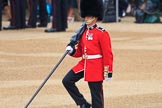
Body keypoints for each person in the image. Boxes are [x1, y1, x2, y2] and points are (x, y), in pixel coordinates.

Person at [62, 0, 113, 108]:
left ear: (95, 18)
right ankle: (82, 103)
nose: (86, 19)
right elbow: (80, 52)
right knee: (67, 81)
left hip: (96, 66)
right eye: (85, 17)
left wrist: (107, 71)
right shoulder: (83, 32)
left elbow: (107, 54)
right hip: (84, 64)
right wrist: (72, 51)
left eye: (89, 17)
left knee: (96, 97)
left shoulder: (102, 33)